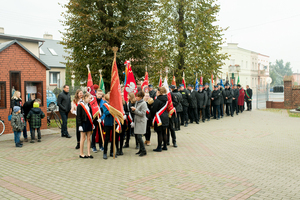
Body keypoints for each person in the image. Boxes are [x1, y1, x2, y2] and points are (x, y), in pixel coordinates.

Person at [77, 93, 95, 159]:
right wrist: (80, 125)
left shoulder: (89, 105)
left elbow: (91, 114)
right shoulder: (80, 105)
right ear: (86, 97)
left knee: (89, 138)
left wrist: (92, 124)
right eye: (89, 98)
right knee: (83, 138)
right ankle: (81, 153)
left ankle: (88, 153)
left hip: (89, 123)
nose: (90, 100)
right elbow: (78, 116)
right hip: (83, 123)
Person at [151, 87, 169, 152]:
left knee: (159, 133)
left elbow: (154, 110)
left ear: (158, 92)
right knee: (164, 132)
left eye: (156, 91)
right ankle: (165, 146)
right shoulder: (166, 99)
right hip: (165, 117)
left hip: (159, 118)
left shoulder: (157, 100)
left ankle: (159, 147)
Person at [102, 93, 119, 159]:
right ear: (106, 100)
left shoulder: (113, 104)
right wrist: (112, 110)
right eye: (109, 100)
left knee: (114, 138)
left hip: (114, 123)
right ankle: (105, 152)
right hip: (108, 123)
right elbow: (106, 113)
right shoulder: (104, 105)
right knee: (107, 138)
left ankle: (112, 151)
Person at [131, 91, 147, 157]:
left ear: (140, 97)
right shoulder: (137, 102)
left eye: (137, 96)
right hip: (137, 121)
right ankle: (141, 150)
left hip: (141, 122)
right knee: (137, 136)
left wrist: (135, 110)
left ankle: (144, 150)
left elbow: (143, 114)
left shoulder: (144, 103)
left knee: (139, 137)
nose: (136, 97)